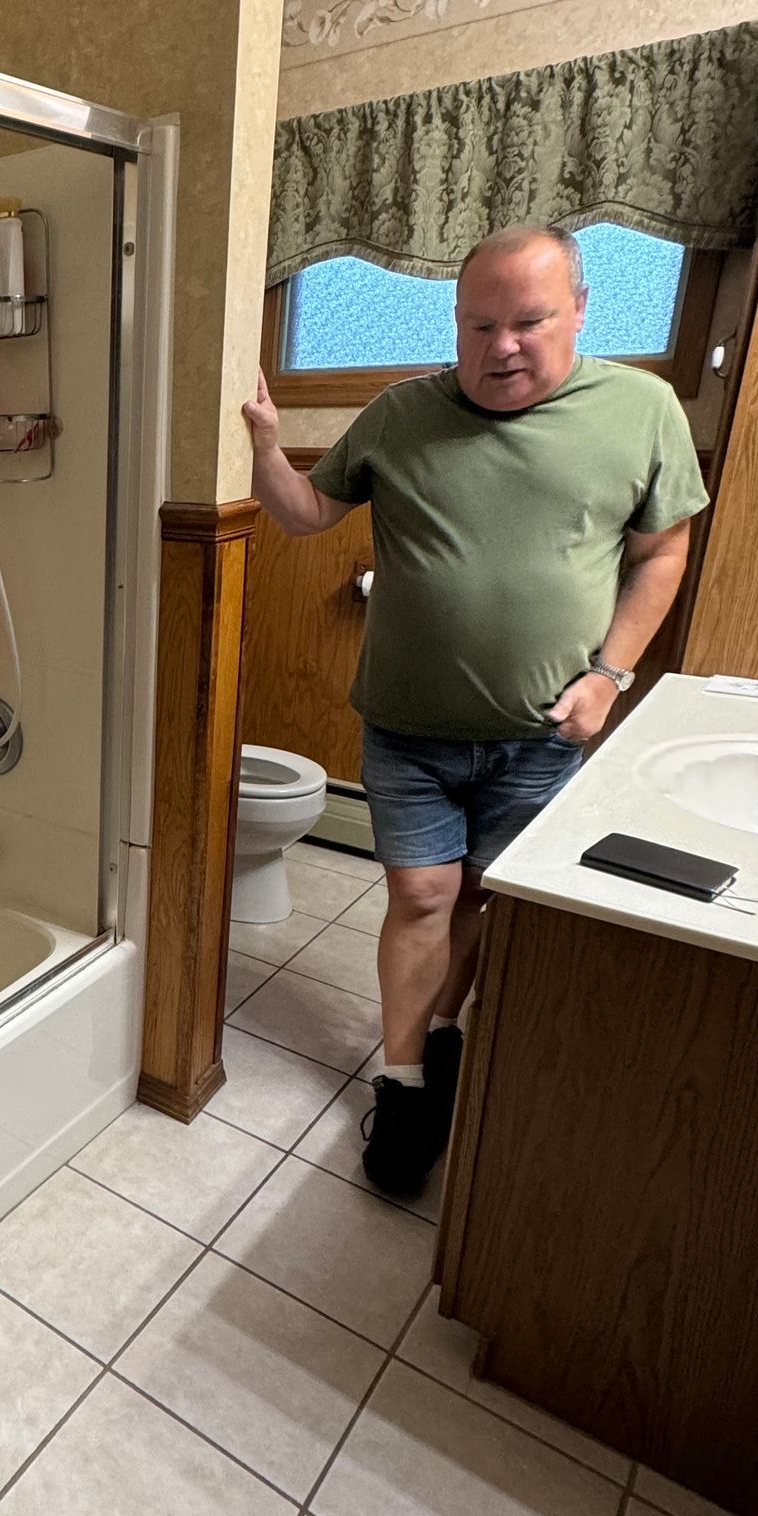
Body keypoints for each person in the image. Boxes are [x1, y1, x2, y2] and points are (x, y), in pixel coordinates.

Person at [241, 223, 708, 1195]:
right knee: (421, 896)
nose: (503, 346)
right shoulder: (401, 413)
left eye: (530, 321)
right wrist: (262, 442)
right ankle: (405, 1078)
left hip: (543, 735)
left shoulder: (643, 408)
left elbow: (662, 552)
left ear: (580, 310)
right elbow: (304, 514)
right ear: (455, 325)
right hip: (408, 728)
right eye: (479, 324)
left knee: (489, 903)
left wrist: (611, 675)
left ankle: (443, 1033)